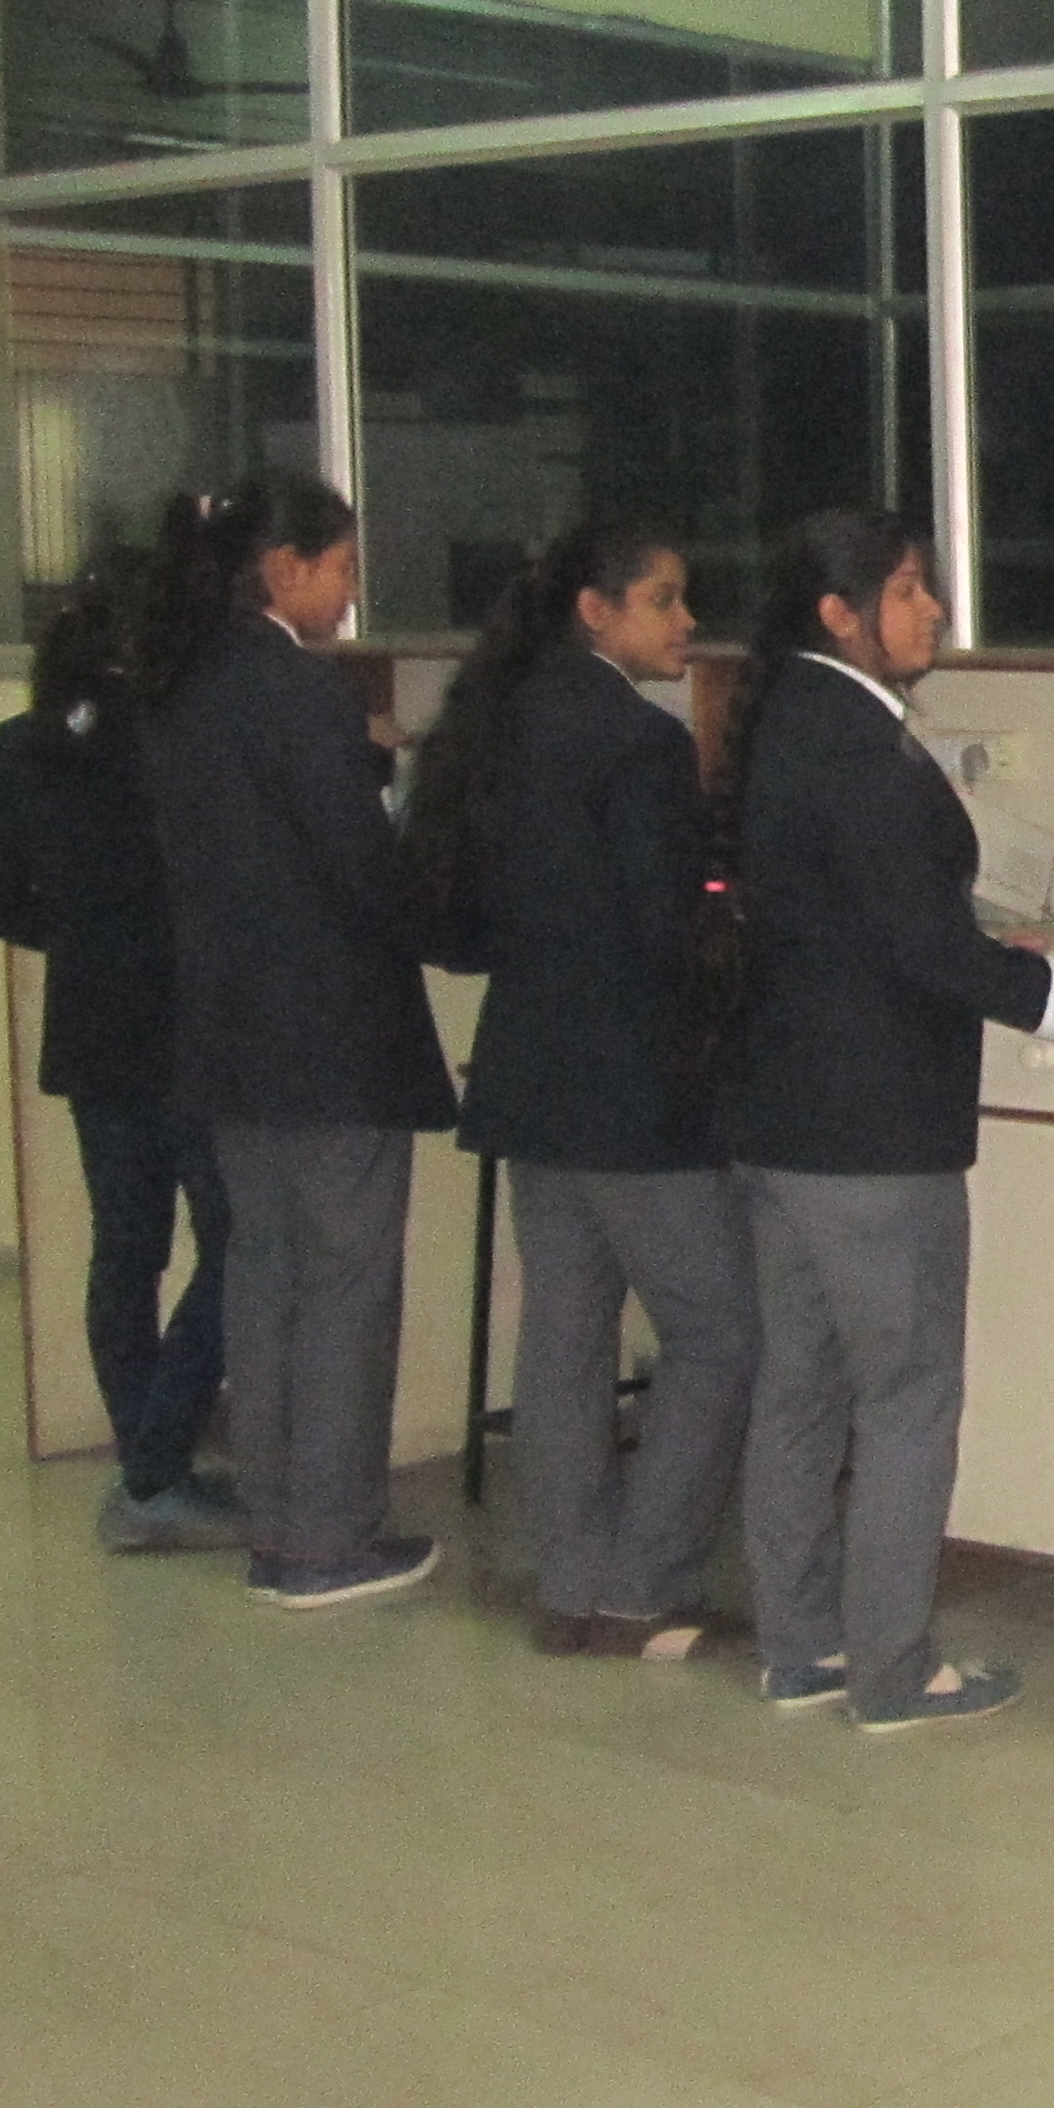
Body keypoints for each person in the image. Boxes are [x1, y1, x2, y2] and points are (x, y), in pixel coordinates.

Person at [717, 506, 1054, 1731]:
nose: (935, 610)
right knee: (904, 1397)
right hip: (872, 1130)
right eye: (907, 591)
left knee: (800, 1389)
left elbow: (875, 918)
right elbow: (921, 945)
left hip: (783, 1121)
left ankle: (801, 1645)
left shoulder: (792, 720)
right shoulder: (852, 742)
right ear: (837, 613)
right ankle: (894, 1671)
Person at [402, 523, 754, 1662]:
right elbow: (669, 930)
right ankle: (644, 1583)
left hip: (529, 1077)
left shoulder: (491, 725)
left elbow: (450, 917)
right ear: (595, 612)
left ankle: (572, 1580)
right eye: (663, 601)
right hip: (635, 1091)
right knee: (719, 1334)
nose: (686, 622)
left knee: (563, 1333)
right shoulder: (640, 744)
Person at [135, 470, 454, 1614]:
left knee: (263, 1283)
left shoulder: (180, 684)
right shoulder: (300, 693)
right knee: (346, 1294)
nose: (351, 593)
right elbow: (359, 868)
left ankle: (275, 1521)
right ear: (284, 569)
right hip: (332, 1042)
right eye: (343, 568)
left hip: (230, 1040)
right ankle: (328, 1539)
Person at [0, 554, 241, 1554]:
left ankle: (147, 1468)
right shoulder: (181, 737)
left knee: (126, 1250)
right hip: (190, 1031)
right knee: (238, 1243)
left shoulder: (22, 743)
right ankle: (155, 1463)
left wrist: (83, 941)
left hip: (91, 1030)